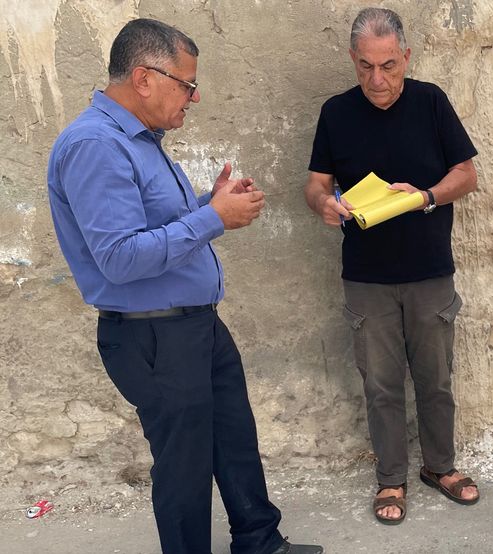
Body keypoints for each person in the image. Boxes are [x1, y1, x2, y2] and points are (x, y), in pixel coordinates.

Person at [47, 18, 321, 554]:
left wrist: (206, 203)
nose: (194, 98)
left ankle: (259, 542)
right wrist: (214, 217)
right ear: (145, 77)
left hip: (193, 326)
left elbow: (152, 228)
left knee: (233, 440)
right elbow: (121, 258)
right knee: (185, 467)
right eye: (187, 84)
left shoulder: (141, 140)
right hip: (153, 337)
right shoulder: (95, 145)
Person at [304, 6, 479, 526]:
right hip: (366, 277)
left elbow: (466, 176)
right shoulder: (336, 112)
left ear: (406, 56)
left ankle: (440, 468)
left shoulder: (431, 102)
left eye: (388, 66)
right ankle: (391, 478)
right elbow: (315, 183)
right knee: (380, 384)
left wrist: (425, 196)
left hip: (429, 272)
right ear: (352, 61)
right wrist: (323, 205)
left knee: (436, 379)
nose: (377, 79)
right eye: (365, 67)